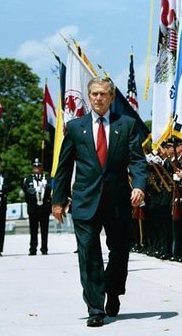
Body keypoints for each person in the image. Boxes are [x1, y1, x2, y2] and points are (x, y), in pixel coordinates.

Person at [52, 76, 147, 328]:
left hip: (117, 202)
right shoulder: (75, 127)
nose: (98, 98)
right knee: (88, 254)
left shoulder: (126, 125)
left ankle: (113, 291)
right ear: (88, 95)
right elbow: (63, 167)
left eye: (103, 94)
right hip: (85, 201)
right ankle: (95, 307)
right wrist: (58, 200)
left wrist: (138, 186)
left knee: (120, 250)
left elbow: (138, 161)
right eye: (94, 93)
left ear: (111, 97)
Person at [22, 158, 52, 256]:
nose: (37, 168)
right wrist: (35, 190)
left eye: (39, 166)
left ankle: (44, 248)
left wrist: (44, 187)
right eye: (35, 166)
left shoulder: (46, 178)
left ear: (41, 167)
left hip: (44, 207)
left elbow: (50, 188)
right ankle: (33, 248)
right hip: (33, 207)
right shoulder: (28, 179)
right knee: (33, 229)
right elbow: (26, 189)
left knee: (44, 229)